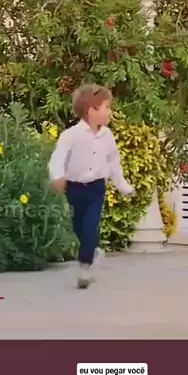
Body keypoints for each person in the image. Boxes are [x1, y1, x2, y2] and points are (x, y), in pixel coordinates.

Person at [49, 84, 134, 288]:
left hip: (96, 188)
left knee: (90, 224)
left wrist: (123, 186)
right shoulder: (71, 135)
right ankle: (94, 251)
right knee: (79, 227)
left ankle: (85, 267)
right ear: (91, 110)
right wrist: (57, 176)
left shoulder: (107, 136)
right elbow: (58, 157)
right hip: (75, 189)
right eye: (106, 107)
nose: (110, 112)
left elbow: (114, 163)